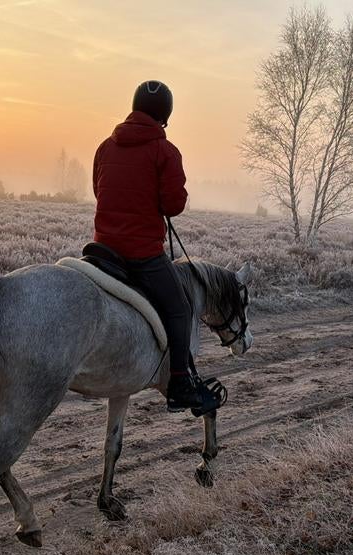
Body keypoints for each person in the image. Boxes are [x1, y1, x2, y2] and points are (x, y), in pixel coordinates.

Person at [92, 80, 221, 415]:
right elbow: (174, 204)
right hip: (141, 254)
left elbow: (98, 190)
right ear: (165, 115)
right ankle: (179, 381)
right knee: (180, 308)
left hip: (102, 248)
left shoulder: (105, 147)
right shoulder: (166, 152)